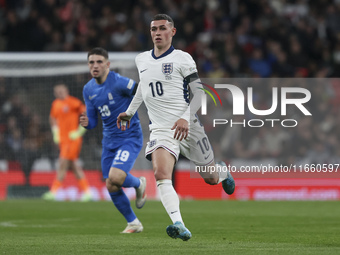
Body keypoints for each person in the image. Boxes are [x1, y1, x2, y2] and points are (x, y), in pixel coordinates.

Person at [117, 14, 235, 241]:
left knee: (209, 178)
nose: (157, 33)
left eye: (162, 28)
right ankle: (179, 224)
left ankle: (222, 172)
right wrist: (130, 111)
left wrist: (184, 117)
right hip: (161, 130)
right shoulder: (142, 59)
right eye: (153, 29)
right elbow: (144, 86)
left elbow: (200, 93)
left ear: (173, 32)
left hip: (188, 125)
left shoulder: (183, 58)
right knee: (161, 174)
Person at [80, 47, 146, 233]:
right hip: (109, 142)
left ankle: (139, 184)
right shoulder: (88, 89)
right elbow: (93, 122)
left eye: (99, 62)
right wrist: (86, 123)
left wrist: (135, 113)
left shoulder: (118, 82)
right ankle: (133, 222)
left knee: (116, 177)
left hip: (129, 137)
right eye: (92, 62)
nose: (95, 65)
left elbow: (141, 92)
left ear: (107, 64)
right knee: (111, 184)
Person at [42, 84, 92, 201]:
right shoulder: (55, 104)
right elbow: (52, 118)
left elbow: (87, 112)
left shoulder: (73, 102)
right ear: (55, 93)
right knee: (74, 166)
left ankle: (53, 191)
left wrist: (80, 130)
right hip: (63, 140)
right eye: (57, 92)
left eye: (62, 91)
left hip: (73, 139)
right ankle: (87, 192)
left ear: (66, 91)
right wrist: (55, 132)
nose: (60, 93)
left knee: (62, 162)